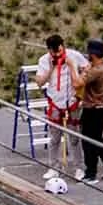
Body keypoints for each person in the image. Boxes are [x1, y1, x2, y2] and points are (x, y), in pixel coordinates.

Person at [33, 34, 88, 178]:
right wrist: (51, 69)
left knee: (74, 137)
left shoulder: (74, 56)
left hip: (72, 101)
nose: (57, 55)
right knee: (54, 138)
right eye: (54, 52)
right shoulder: (44, 60)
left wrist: (79, 77)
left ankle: (79, 167)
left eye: (59, 51)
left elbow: (87, 68)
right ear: (49, 51)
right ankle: (53, 167)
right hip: (55, 102)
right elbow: (39, 82)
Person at [75, 37, 103, 183]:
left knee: (88, 141)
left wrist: (71, 66)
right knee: (98, 138)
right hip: (102, 108)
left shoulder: (96, 71)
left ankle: (90, 174)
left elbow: (78, 83)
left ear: (92, 54)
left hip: (92, 109)